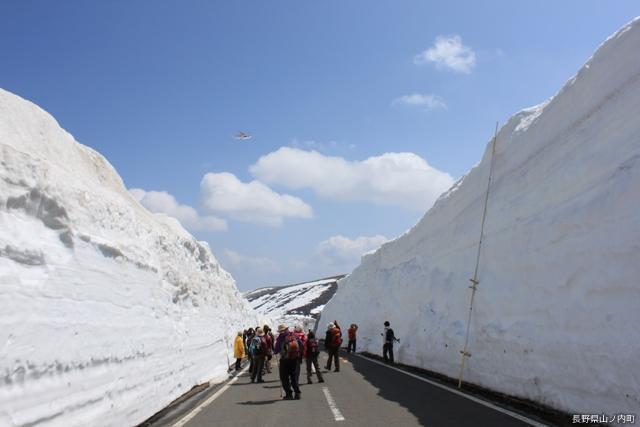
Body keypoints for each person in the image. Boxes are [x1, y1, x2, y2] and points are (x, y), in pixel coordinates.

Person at [275, 324, 302, 400]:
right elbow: (301, 344)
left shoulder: (280, 337)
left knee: (284, 377)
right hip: (295, 359)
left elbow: (276, 349)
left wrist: (276, 351)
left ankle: (289, 394)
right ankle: (297, 393)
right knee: (294, 376)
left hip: (284, 360)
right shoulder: (294, 335)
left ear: (280, 331)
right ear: (287, 328)